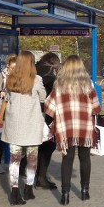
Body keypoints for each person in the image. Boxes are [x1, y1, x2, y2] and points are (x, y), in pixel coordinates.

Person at [44, 55, 101, 205]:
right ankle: (85, 191)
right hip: (84, 128)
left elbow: (48, 107)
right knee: (85, 158)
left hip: (66, 128)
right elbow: (96, 108)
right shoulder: (88, 85)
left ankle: (65, 194)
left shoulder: (59, 85)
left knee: (67, 160)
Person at [2, 51, 47, 205]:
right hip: (31, 125)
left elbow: (7, 97)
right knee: (32, 158)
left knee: (14, 160)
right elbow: (42, 98)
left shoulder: (10, 79)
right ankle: (28, 188)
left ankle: (14, 192)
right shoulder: (37, 80)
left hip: (14, 125)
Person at [33, 52, 61, 190]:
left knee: (32, 145)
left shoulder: (34, 68)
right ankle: (41, 177)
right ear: (52, 62)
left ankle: (29, 175)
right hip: (46, 114)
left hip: (32, 114)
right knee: (47, 146)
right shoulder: (49, 74)